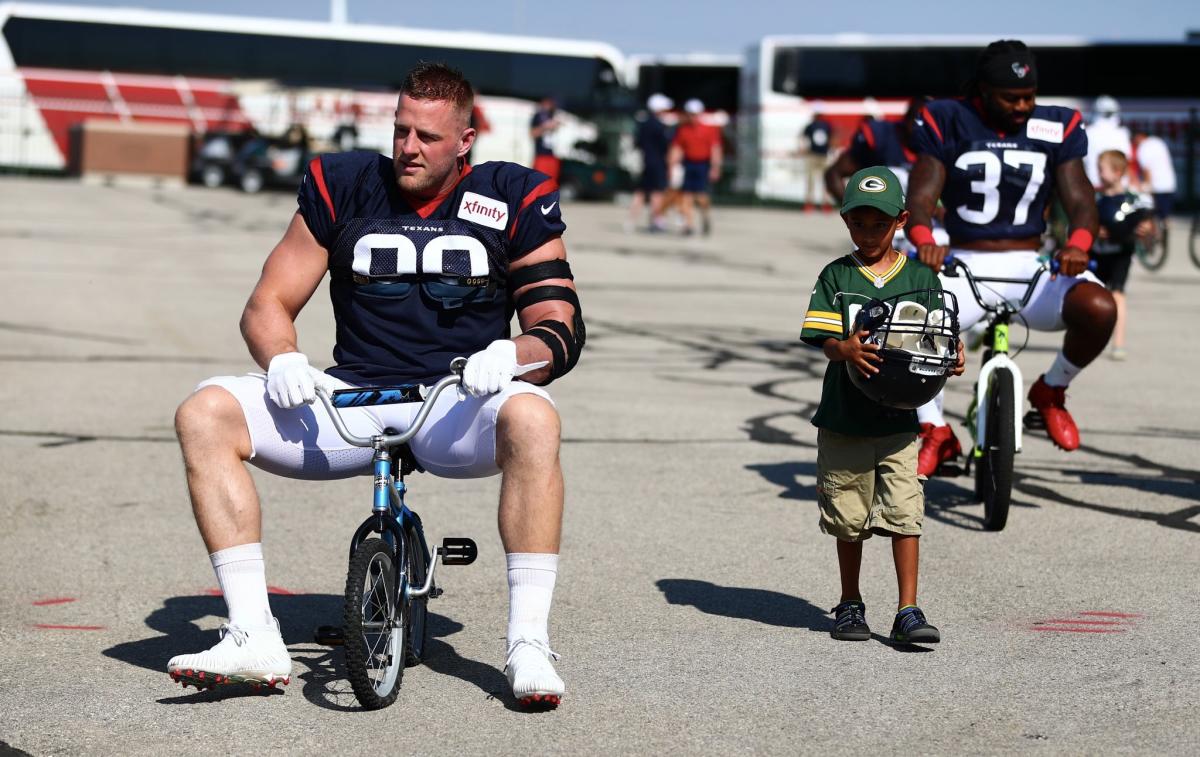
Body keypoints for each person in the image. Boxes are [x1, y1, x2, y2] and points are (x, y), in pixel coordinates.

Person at [167, 63, 584, 708]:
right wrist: (281, 357)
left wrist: (512, 355)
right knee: (205, 412)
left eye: (428, 137)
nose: (408, 148)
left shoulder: (514, 195)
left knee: (534, 418)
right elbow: (266, 303)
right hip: (354, 396)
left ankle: (528, 642)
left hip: (459, 402)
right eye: (400, 130)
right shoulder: (345, 183)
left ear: (466, 141)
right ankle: (253, 633)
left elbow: (559, 326)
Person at [906, 39, 1114, 476]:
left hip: (1029, 265)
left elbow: (1081, 201)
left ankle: (1051, 390)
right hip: (963, 262)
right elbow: (921, 197)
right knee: (910, 322)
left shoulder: (1057, 125)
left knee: (1099, 307)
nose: (1023, 105)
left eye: (1029, 96)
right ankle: (934, 430)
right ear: (982, 89)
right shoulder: (949, 118)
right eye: (1011, 97)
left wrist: (1077, 244)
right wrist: (925, 238)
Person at [800, 166, 965, 644]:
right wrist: (844, 349)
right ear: (845, 220)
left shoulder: (920, 277)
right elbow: (823, 339)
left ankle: (908, 609)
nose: (868, 233)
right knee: (848, 517)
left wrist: (951, 356)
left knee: (905, 513)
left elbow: (939, 338)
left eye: (880, 223)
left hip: (899, 421)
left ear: (901, 221)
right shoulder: (837, 276)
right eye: (859, 223)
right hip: (845, 418)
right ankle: (850, 602)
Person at [1093, 150, 1155, 360]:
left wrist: (1145, 228)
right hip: (1097, 254)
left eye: (1102, 169)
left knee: (1118, 295)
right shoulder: (1095, 199)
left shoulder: (1134, 200)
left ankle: (1118, 342)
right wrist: (1094, 230)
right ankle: (1092, 340)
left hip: (1121, 254)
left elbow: (1147, 223)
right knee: (1095, 297)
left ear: (1118, 172)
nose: (1099, 173)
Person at [668, 98, 722, 236]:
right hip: (688, 164)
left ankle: (705, 215)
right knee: (686, 195)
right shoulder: (683, 130)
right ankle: (689, 225)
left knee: (700, 196)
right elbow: (677, 148)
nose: (692, 116)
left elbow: (715, 149)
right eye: (690, 113)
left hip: (702, 164)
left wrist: (715, 167)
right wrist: (672, 165)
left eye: (694, 113)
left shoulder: (709, 130)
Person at [628, 93, 674, 232]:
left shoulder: (643, 124)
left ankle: (630, 221)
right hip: (658, 163)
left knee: (641, 192)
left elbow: (637, 143)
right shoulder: (659, 126)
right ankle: (656, 222)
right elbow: (666, 146)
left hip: (646, 161)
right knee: (657, 193)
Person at [1083, 95, 1132, 189]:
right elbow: (1128, 161)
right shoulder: (1123, 133)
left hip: (1095, 187)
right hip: (1117, 187)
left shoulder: (1088, 132)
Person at [1132, 127, 1177, 222]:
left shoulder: (1144, 147)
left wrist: (1146, 186)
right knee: (1164, 216)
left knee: (1152, 215)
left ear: (1139, 137)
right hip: (1169, 184)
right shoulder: (1159, 142)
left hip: (1156, 187)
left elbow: (1146, 169)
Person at [800, 107, 833, 212]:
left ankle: (825, 203)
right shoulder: (811, 126)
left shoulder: (826, 125)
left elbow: (832, 138)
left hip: (822, 156)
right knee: (811, 180)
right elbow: (803, 138)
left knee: (824, 181)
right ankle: (811, 203)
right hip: (814, 155)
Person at [529, 95, 561, 183]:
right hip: (541, 156)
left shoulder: (553, 115)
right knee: (539, 181)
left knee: (551, 182)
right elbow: (533, 133)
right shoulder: (538, 116)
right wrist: (545, 127)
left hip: (552, 156)